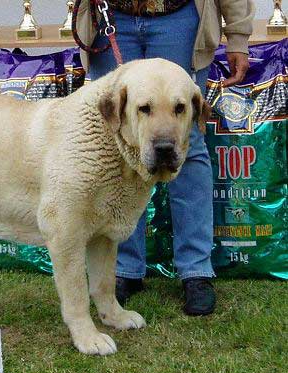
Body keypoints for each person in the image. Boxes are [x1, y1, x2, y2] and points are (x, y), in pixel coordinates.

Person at [77, 0, 255, 315]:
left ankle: (196, 271)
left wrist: (238, 36)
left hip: (179, 18)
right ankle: (124, 269)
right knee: (118, 145)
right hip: (110, 15)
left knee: (187, 143)